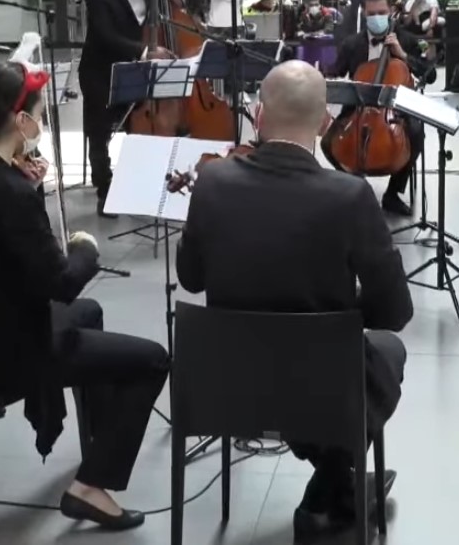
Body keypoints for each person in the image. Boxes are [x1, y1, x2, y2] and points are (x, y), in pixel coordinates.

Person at [176, 61, 412, 543]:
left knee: (312, 365)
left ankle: (332, 484)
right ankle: (332, 489)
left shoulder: (213, 182)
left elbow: (191, 278)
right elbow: (395, 312)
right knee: (386, 352)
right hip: (322, 387)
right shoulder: (349, 196)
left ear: (258, 116)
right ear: (325, 122)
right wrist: (343, 314)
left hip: (228, 383)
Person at [0, 61, 169, 531]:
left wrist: (32, 187)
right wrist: (85, 248)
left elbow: (8, 245)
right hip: (11, 351)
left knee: (90, 312)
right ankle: (91, 486)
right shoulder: (10, 191)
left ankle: (98, 447)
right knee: (152, 358)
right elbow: (62, 281)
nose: (42, 124)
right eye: (40, 115)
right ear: (21, 120)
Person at [78, 0, 170, 218]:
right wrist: (145, 51)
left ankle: (137, 184)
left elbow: (155, 16)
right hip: (101, 71)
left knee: (137, 128)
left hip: (135, 68)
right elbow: (105, 36)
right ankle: (105, 191)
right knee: (100, 132)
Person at [329, 0, 430, 216]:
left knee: (416, 135)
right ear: (364, 13)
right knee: (328, 141)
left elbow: (429, 74)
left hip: (396, 112)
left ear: (391, 11)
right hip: (358, 109)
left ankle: (393, 194)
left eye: (381, 12)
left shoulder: (406, 39)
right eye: (372, 13)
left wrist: (402, 55)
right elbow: (335, 72)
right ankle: (355, 185)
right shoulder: (352, 44)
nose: (376, 17)